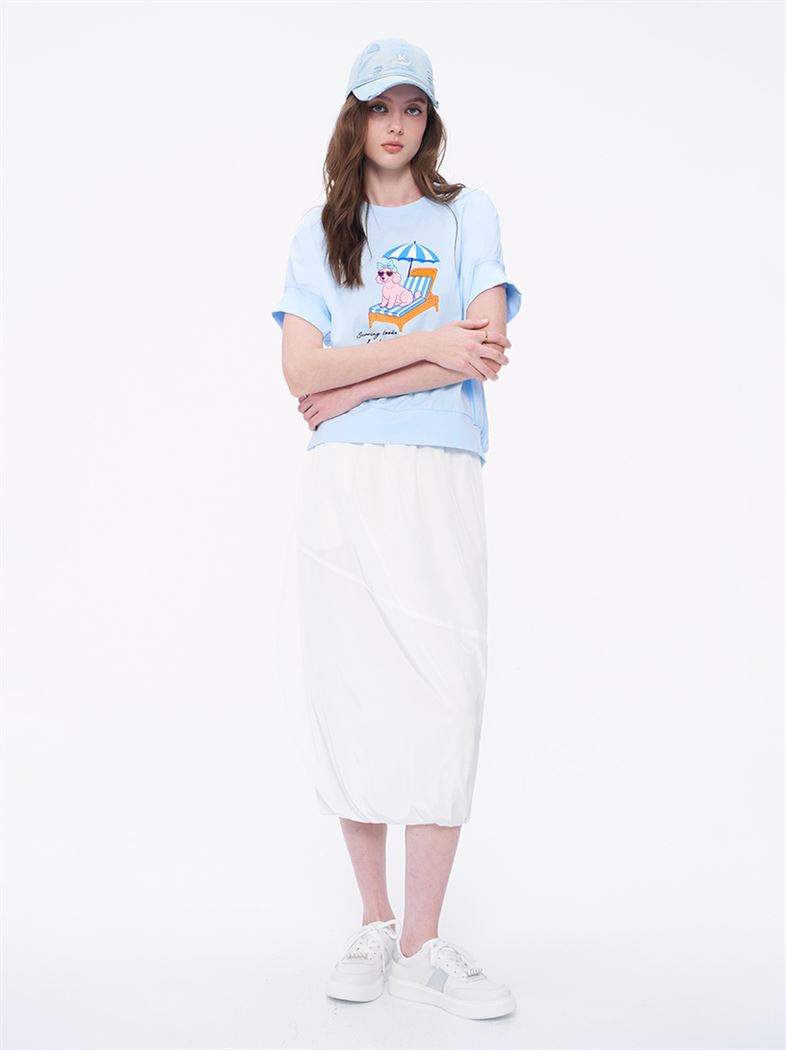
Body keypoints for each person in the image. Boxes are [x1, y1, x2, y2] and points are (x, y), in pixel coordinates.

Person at [271, 37, 522, 1021]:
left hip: (440, 469)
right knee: (353, 686)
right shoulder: (319, 232)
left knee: (446, 687)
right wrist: (426, 347)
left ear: (430, 122)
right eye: (381, 107)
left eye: (413, 108)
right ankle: (375, 923)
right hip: (346, 480)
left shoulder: (467, 215)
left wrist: (360, 378)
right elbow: (300, 372)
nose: (396, 125)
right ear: (355, 116)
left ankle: (424, 942)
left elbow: (484, 347)